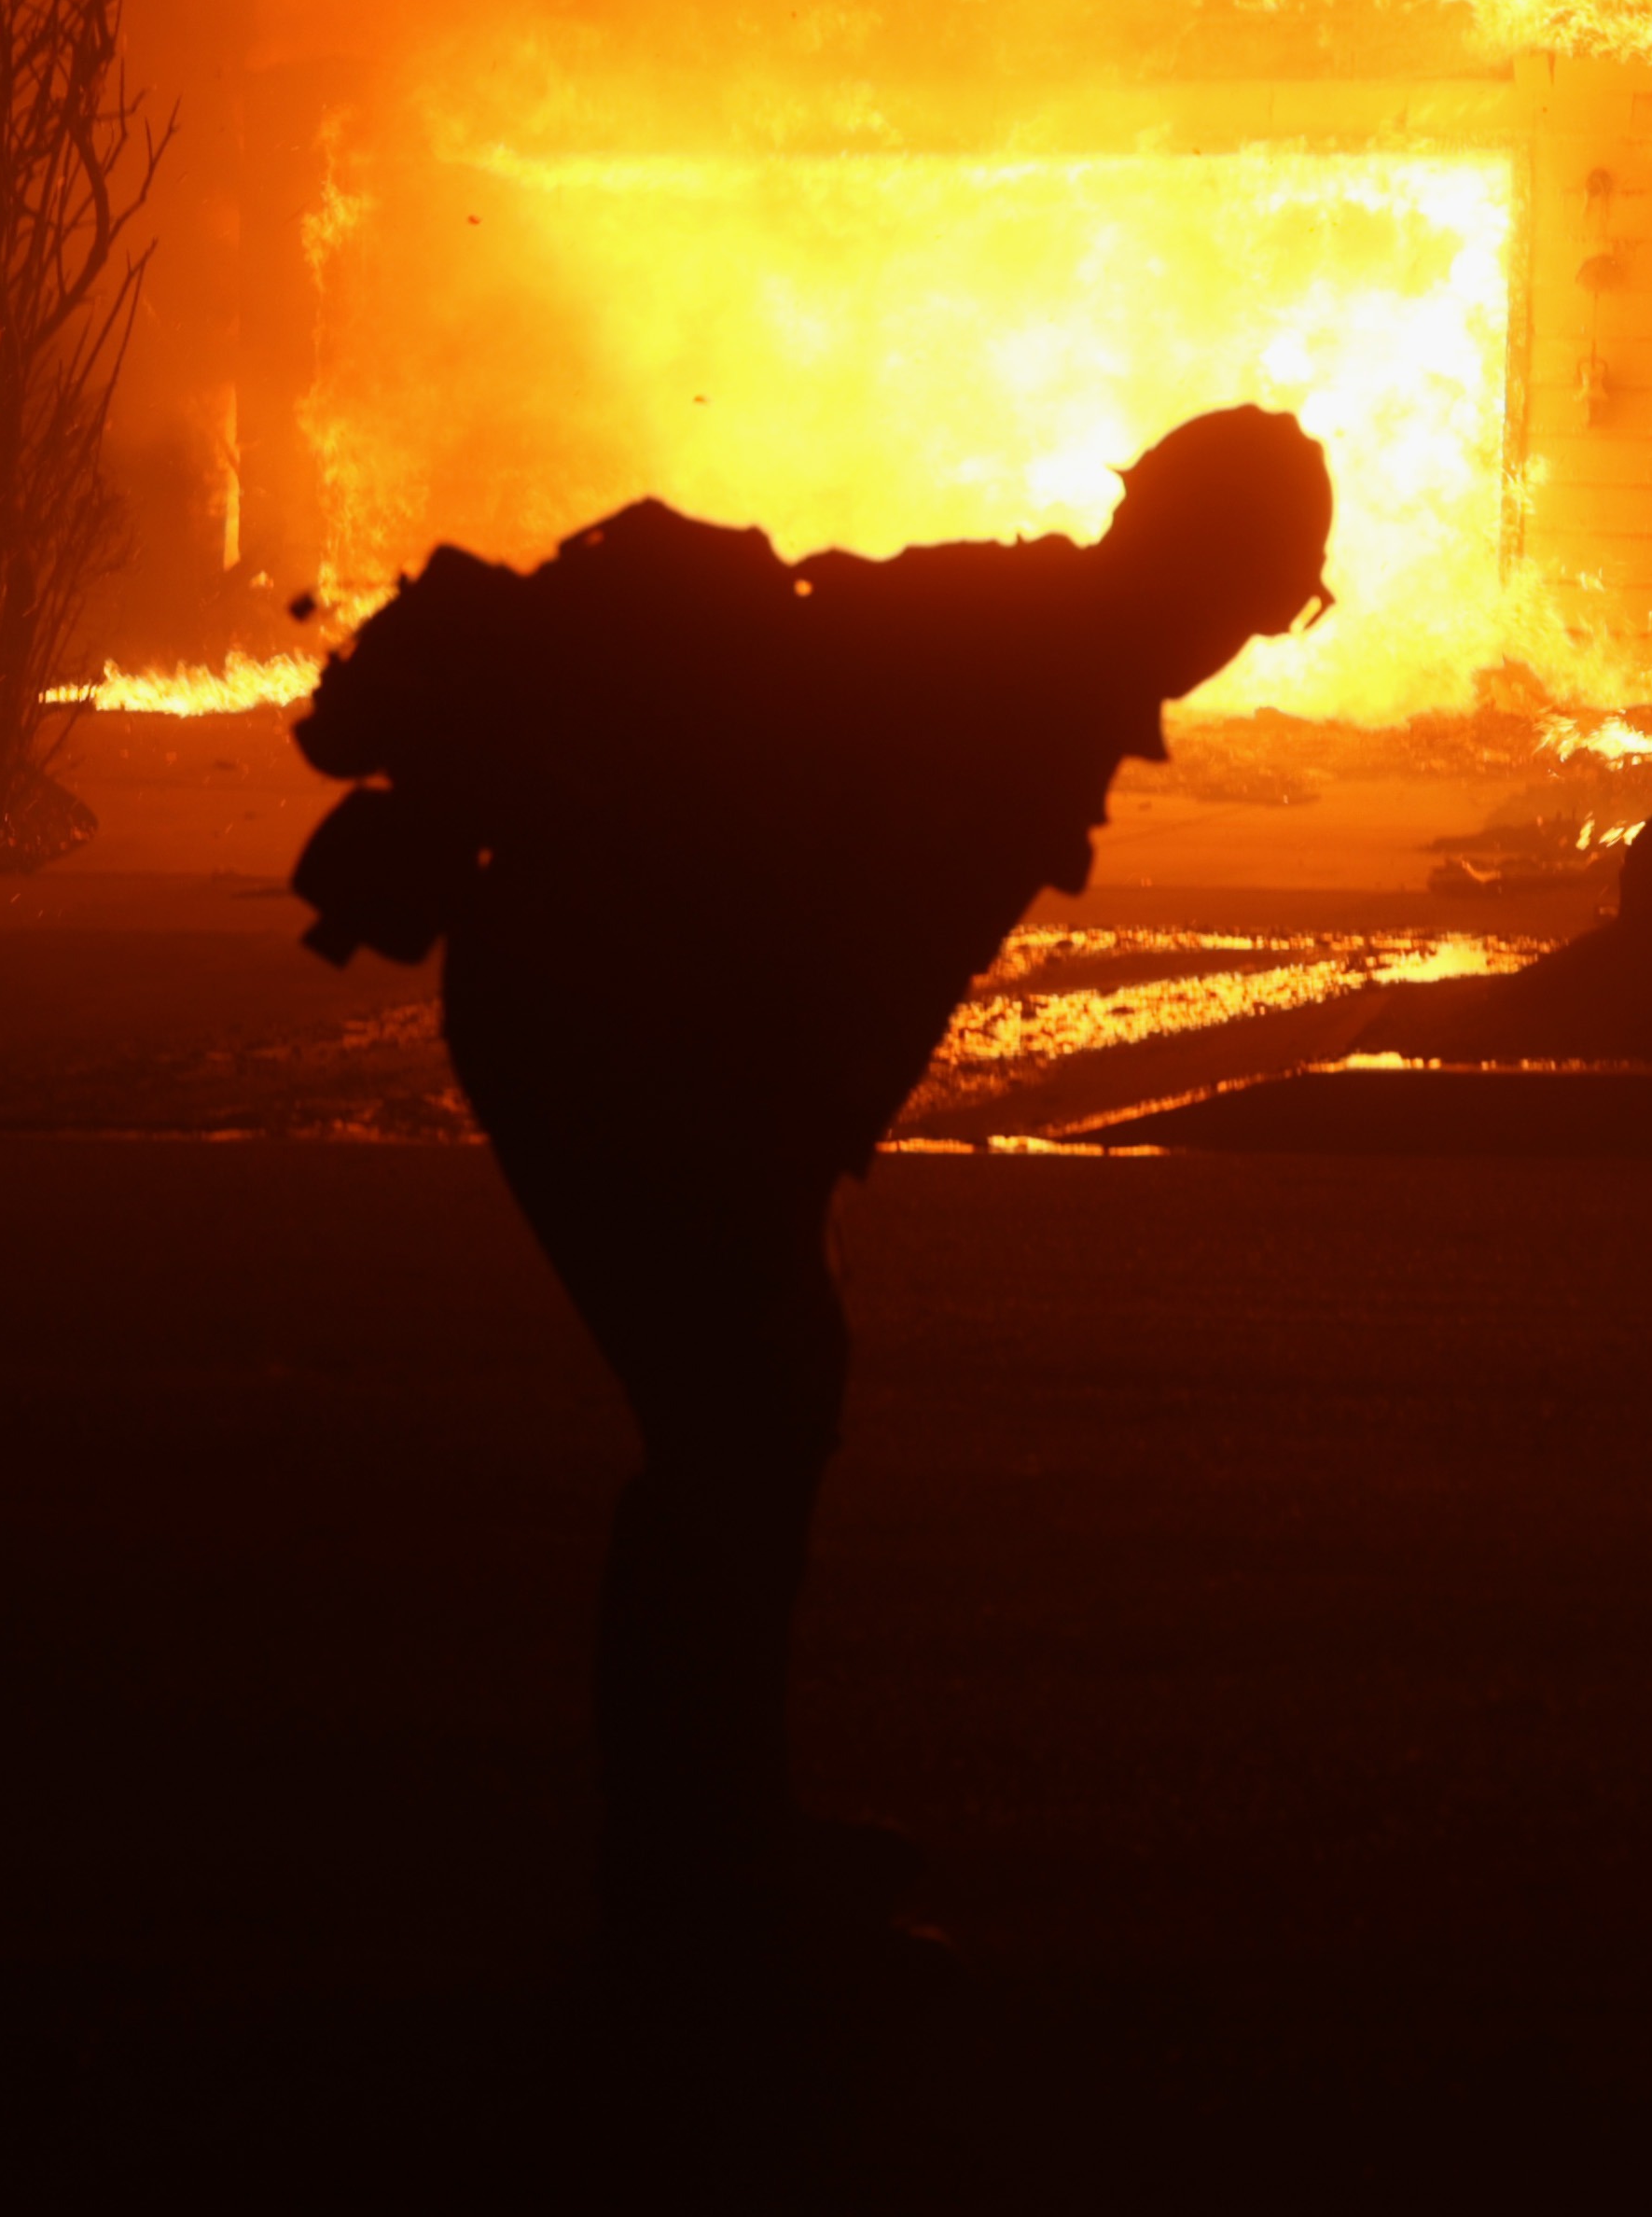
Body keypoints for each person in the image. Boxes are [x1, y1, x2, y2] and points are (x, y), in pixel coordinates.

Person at [287, 408, 1337, 2007]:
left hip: (651, 1032)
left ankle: (718, 1837)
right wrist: (767, 1108)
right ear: (1203, 566)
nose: (1248, 642)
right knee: (735, 1435)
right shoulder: (1007, 654)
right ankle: (690, 1883)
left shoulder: (1036, 644)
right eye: (1265, 599)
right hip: (617, 1026)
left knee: (760, 1417)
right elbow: (785, 859)